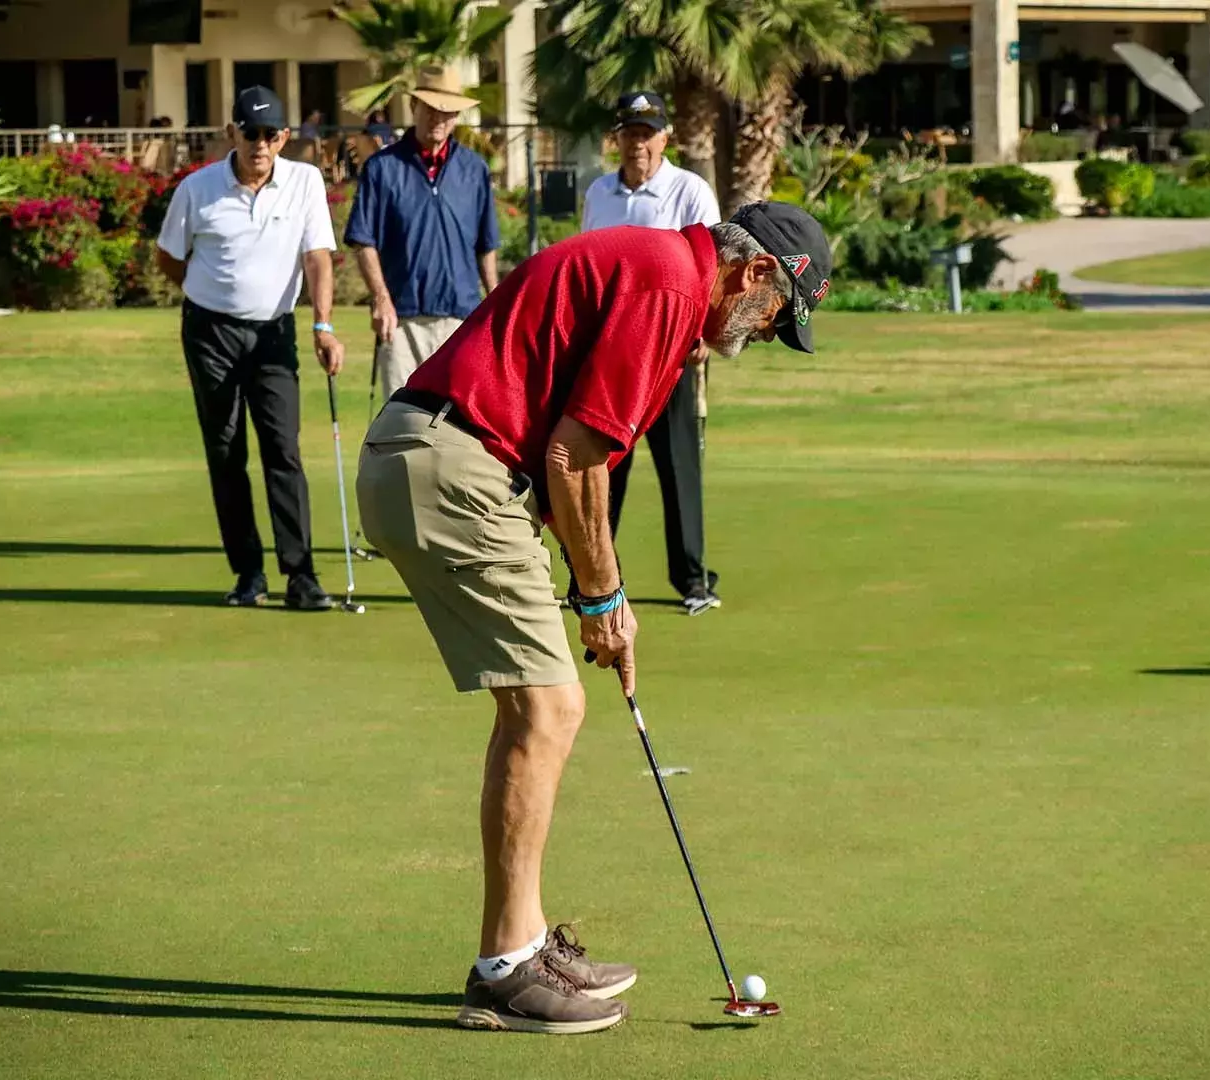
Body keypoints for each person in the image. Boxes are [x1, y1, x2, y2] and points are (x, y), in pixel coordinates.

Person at [354, 202, 831, 1035]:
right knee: (551, 706)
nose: (762, 336)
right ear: (758, 273)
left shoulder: (659, 274)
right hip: (456, 463)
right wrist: (606, 599)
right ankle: (506, 968)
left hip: (440, 459)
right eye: (776, 318)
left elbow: (582, 456)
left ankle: (521, 944)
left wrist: (593, 586)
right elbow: (573, 455)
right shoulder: (669, 287)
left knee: (532, 707)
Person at [154, 86, 345, 610]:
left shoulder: (304, 181)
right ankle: (248, 573)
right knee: (226, 450)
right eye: (250, 133)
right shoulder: (198, 188)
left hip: (273, 333)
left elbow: (318, 259)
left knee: (283, 449)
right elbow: (169, 257)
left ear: (283, 137)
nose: (260, 144)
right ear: (230, 132)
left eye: (270, 134)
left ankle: (300, 575)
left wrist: (323, 326)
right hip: (210, 333)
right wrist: (211, 290)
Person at [579, 90, 724, 614]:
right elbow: (588, 268)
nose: (638, 143)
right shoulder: (599, 193)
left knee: (678, 465)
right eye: (629, 133)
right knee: (603, 467)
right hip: (611, 354)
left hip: (671, 351)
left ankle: (694, 580)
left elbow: (711, 264)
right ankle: (594, 578)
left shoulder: (688, 190)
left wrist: (703, 332)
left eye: (647, 133)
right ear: (616, 139)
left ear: (665, 138)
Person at [343, 66, 499, 400]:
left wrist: (496, 304)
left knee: (460, 426)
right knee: (401, 424)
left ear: (457, 115)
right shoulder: (382, 167)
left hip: (462, 317)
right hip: (401, 319)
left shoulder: (474, 169)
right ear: (414, 106)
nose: (438, 118)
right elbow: (363, 239)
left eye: (447, 111)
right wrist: (381, 299)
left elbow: (486, 246)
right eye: (430, 109)